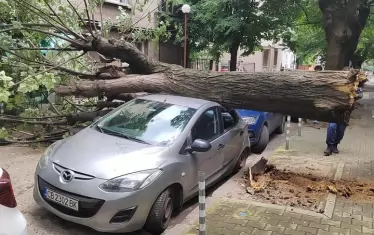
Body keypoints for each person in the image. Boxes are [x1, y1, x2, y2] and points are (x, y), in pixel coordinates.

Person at [324, 77, 363, 156]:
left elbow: (360, 95)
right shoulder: (336, 84)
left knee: (340, 131)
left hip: (345, 113)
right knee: (331, 127)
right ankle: (329, 146)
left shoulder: (355, 86)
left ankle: (335, 145)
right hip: (335, 111)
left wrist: (354, 93)